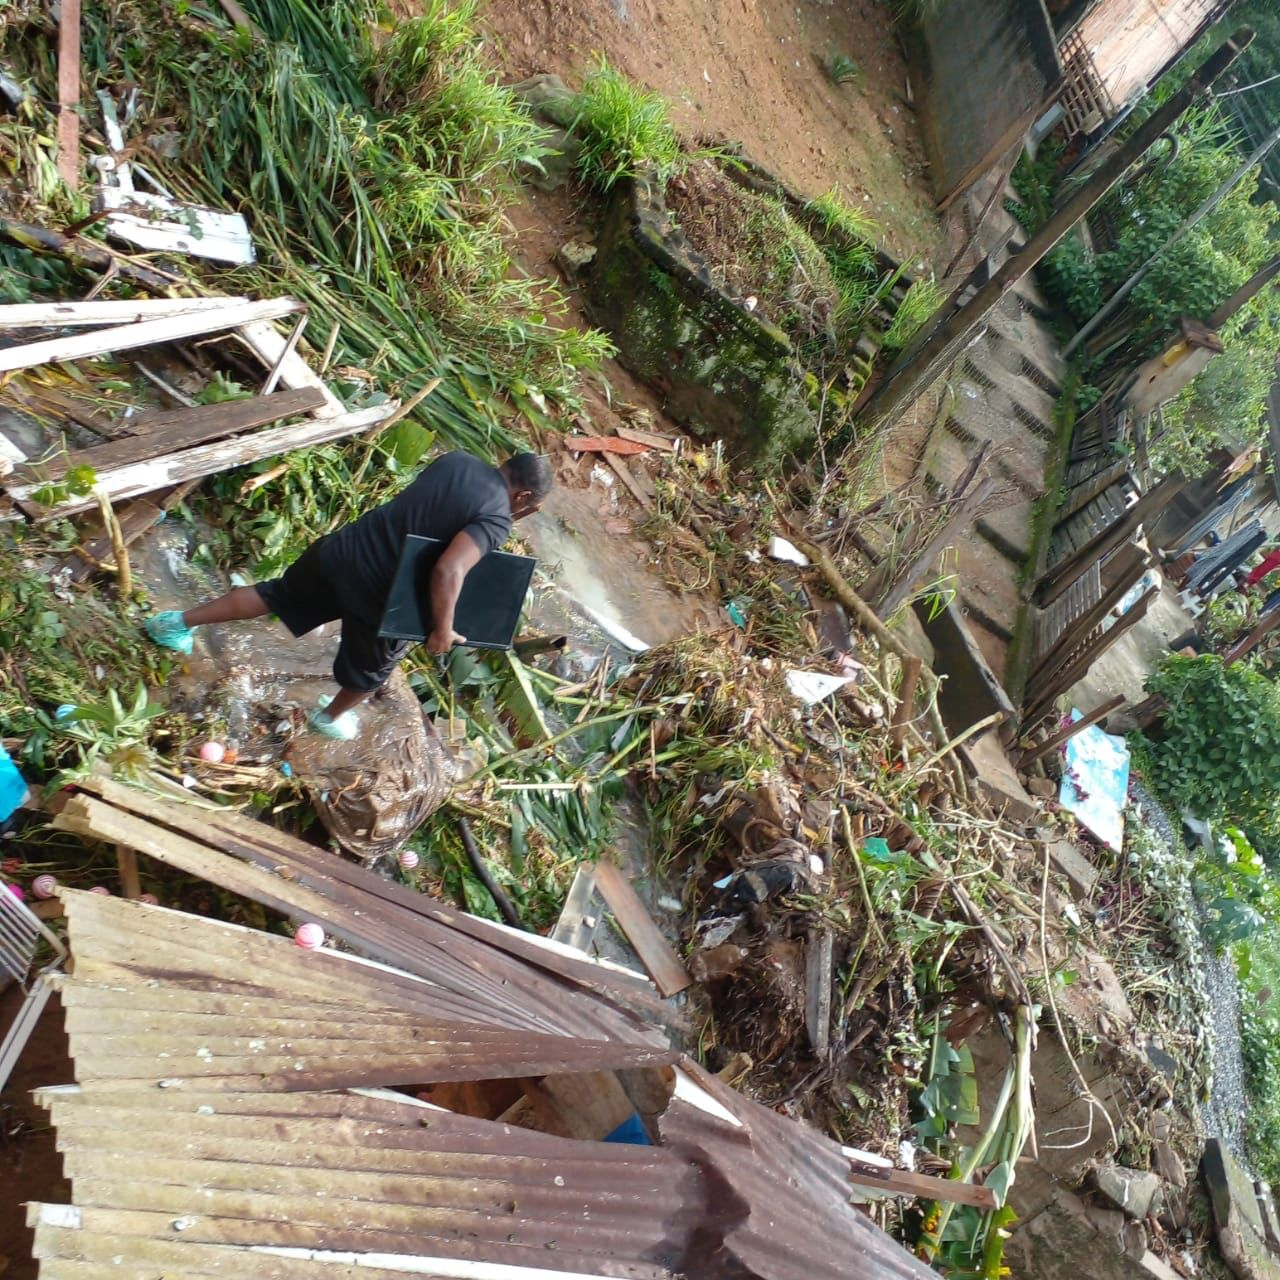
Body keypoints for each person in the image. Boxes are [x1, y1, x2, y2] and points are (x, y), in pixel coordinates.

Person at [144, 451, 553, 740]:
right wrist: (442, 630)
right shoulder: (497, 517)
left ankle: (173, 623)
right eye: (528, 509)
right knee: (374, 671)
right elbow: (449, 568)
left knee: (274, 595)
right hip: (380, 592)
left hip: (342, 551)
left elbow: (428, 517)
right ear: (523, 499)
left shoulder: (457, 460)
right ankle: (328, 718)